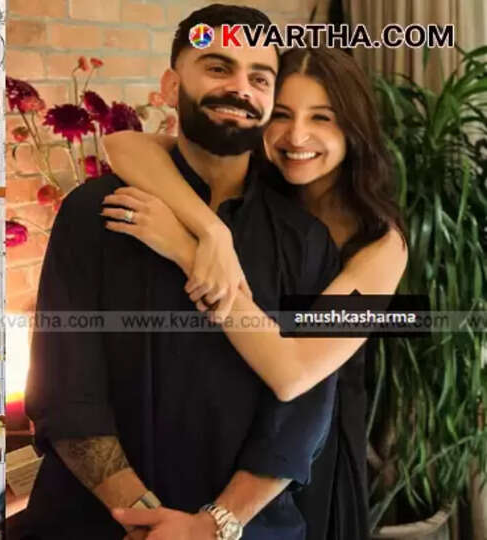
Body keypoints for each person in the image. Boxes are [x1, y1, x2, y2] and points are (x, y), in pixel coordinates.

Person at [22, 5, 340, 539]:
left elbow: (301, 416)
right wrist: (145, 521)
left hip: (248, 529)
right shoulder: (95, 212)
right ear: (172, 85)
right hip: (94, 524)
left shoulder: (304, 240)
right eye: (218, 67)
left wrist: (211, 527)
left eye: (259, 77)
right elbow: (64, 390)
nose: (241, 87)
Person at [101, 46, 407, 540]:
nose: (297, 136)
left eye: (322, 118)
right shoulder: (258, 185)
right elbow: (123, 146)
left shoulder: (380, 243)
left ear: (353, 126)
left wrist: (184, 248)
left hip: (310, 448)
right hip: (227, 430)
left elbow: (293, 374)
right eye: (281, 115)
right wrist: (211, 233)